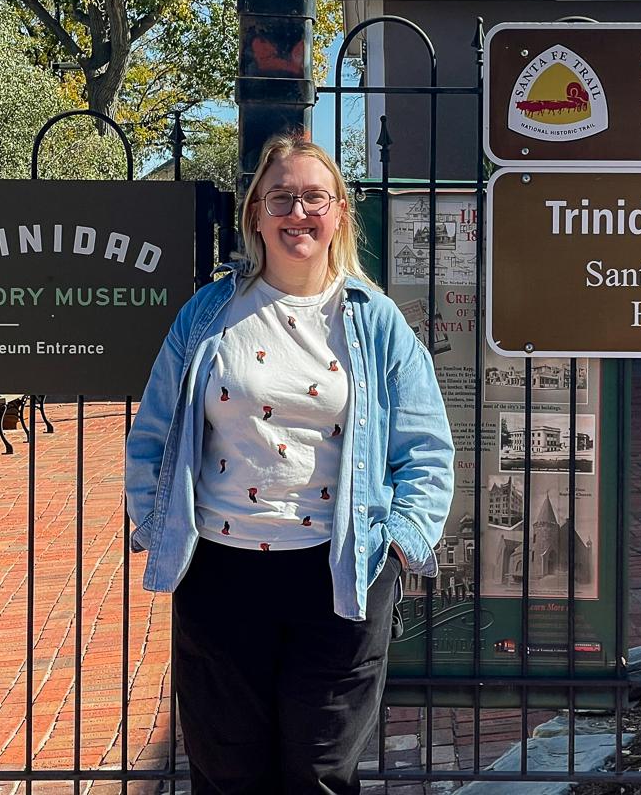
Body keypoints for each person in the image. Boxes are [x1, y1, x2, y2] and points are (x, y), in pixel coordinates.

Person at [126, 135, 455, 793]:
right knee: (226, 771)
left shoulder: (374, 320)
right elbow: (154, 432)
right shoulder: (210, 315)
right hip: (221, 571)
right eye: (281, 197)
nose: (297, 212)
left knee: (320, 771)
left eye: (314, 197)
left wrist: (396, 544)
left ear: (337, 214)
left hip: (337, 573)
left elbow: (426, 446)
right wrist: (152, 521)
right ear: (254, 214)